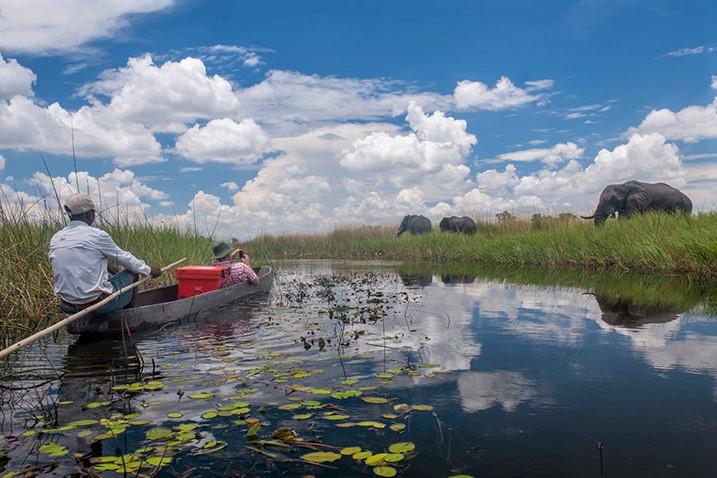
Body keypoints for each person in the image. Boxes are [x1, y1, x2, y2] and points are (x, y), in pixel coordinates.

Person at [49, 193, 163, 314]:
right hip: (98, 304)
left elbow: (77, 258)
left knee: (108, 277)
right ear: (88, 214)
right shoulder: (97, 235)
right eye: (93, 213)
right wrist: (149, 271)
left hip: (67, 306)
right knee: (133, 272)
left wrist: (110, 267)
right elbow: (125, 258)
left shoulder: (56, 238)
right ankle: (128, 316)